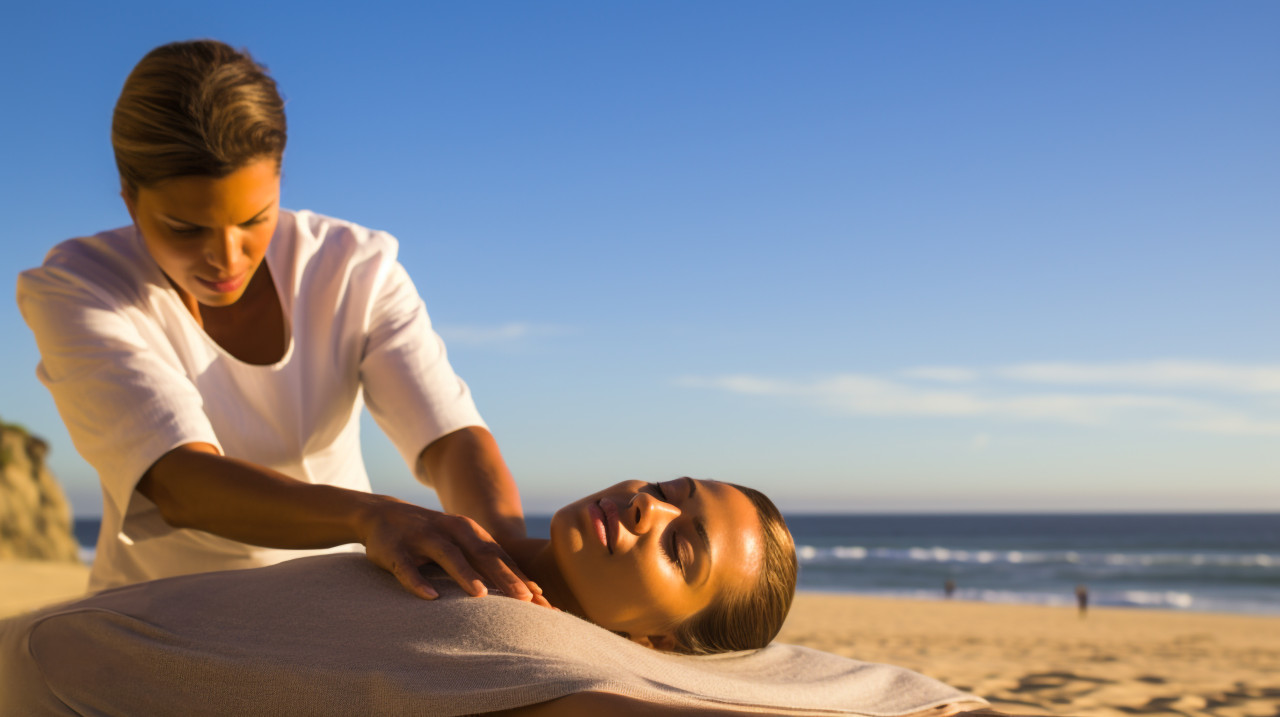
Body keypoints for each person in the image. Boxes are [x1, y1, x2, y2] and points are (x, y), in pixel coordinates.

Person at [16, 39, 541, 604]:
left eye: (253, 219)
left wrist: (505, 557)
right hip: (159, 617)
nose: (226, 257)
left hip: (346, 605)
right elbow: (180, 482)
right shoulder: (78, 288)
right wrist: (370, 515)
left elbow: (448, 436)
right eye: (186, 228)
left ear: (280, 182)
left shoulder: (353, 266)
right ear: (128, 201)